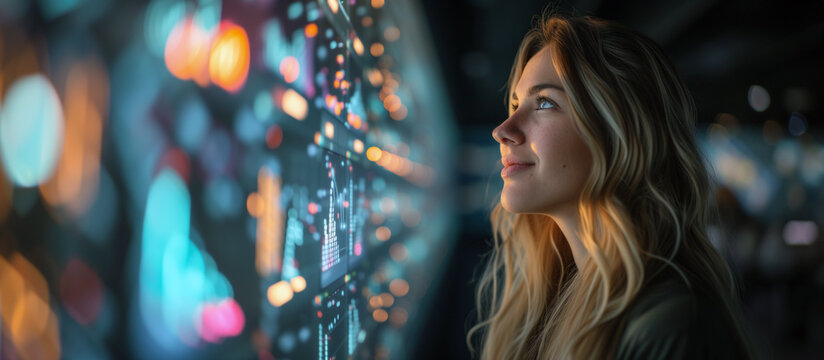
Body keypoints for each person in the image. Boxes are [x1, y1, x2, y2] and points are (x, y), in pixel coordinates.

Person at [466, 12, 756, 360]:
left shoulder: (669, 324)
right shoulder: (552, 300)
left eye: (545, 103)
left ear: (619, 133)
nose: (503, 130)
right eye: (515, 104)